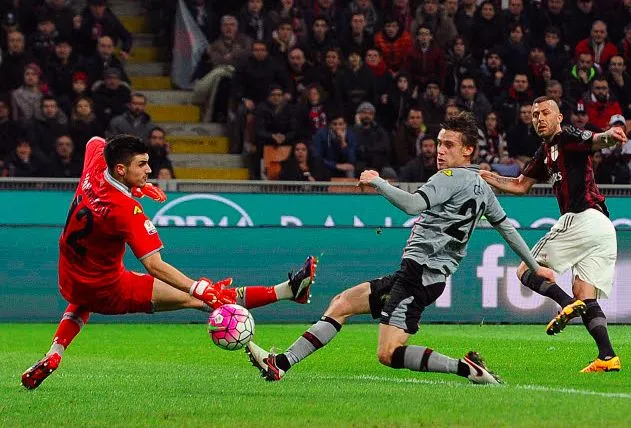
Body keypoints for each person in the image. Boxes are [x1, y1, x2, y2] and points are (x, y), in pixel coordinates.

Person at [246, 112, 556, 383]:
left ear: (469, 150)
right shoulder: (484, 188)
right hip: (420, 275)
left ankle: (466, 369)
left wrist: (377, 181)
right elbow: (507, 228)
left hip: (419, 275)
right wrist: (533, 265)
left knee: (388, 353)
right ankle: (281, 364)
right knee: (342, 303)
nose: (441, 151)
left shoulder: (447, 177)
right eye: (440, 143)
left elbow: (410, 205)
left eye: (450, 145)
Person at [21, 135, 318, 390]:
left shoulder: (96, 168)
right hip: (109, 288)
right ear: (121, 168)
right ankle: (285, 299)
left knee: (82, 300)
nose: (150, 169)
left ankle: (55, 352)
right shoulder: (126, 210)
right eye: (142, 165)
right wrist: (198, 287)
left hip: (70, 277)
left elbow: (95, 142)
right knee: (205, 298)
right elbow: (155, 265)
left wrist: (135, 186)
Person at [480, 96, 627, 373]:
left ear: (559, 117)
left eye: (545, 113)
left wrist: (610, 136)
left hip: (582, 217)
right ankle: (607, 357)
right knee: (587, 295)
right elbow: (521, 185)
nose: (539, 118)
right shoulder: (545, 151)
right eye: (535, 115)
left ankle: (566, 304)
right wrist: (489, 178)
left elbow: (595, 140)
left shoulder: (567, 136)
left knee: (525, 269)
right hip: (603, 228)